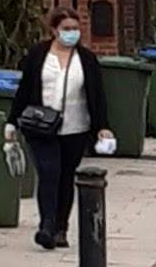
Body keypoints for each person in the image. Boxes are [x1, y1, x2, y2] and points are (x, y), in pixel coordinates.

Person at [10, 15, 113, 247]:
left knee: (66, 177)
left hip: (75, 128)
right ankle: (46, 225)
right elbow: (24, 89)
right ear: (54, 30)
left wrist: (102, 127)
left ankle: (60, 228)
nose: (72, 33)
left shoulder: (86, 59)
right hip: (41, 126)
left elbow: (97, 95)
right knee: (49, 172)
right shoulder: (38, 54)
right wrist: (11, 122)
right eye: (67, 28)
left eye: (76, 28)